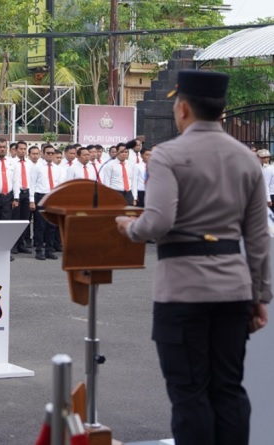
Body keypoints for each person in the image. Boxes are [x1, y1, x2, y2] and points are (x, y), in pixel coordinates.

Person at [116, 70, 270, 445]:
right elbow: (258, 236)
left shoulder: (168, 154)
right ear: (222, 110)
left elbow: (158, 221)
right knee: (228, 389)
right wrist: (261, 296)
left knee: (190, 392)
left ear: (183, 108)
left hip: (183, 290)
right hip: (234, 289)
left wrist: (127, 227)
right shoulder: (247, 160)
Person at [30, 144, 63, 260]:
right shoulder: (37, 167)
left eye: (52, 153)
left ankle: (49, 250)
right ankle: (39, 250)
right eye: (48, 153)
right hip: (41, 197)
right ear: (43, 154)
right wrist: (32, 201)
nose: (50, 155)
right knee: (40, 225)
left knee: (52, 225)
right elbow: (32, 185)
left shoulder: (57, 168)